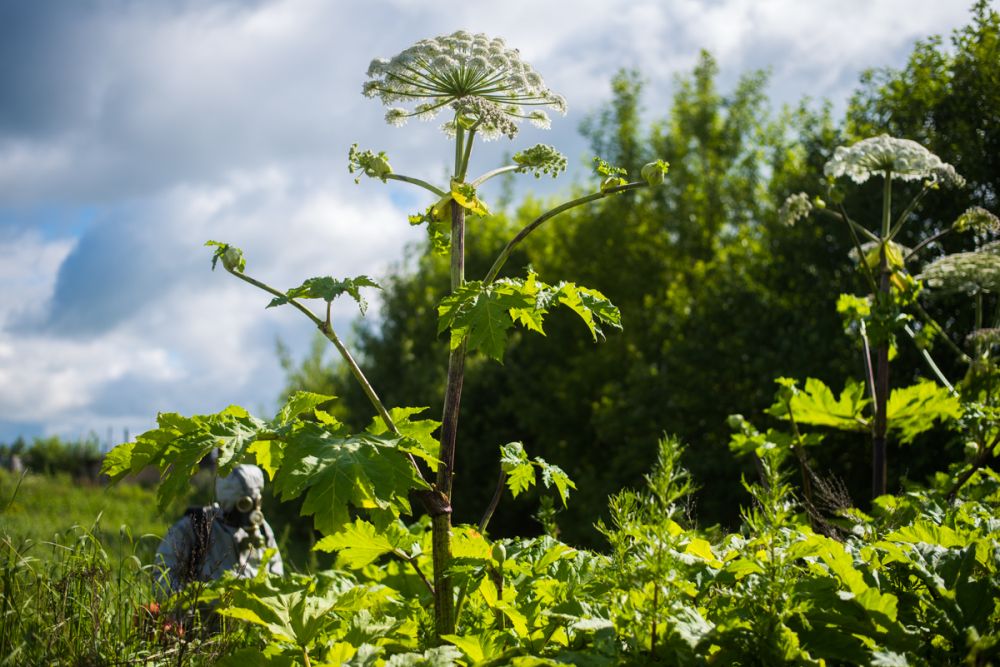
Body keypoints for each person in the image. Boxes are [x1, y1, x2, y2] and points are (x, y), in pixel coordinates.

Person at [155, 464, 284, 594]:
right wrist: (186, 606)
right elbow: (163, 575)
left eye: (256, 503)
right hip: (205, 612)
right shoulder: (196, 527)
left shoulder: (262, 529)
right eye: (244, 505)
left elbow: (276, 575)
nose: (251, 512)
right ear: (228, 502)